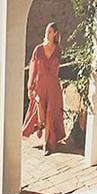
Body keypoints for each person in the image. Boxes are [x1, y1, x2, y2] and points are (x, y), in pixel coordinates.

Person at [23, 22, 66, 155]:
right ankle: (40, 125)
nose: (47, 34)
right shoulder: (38, 50)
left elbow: (56, 70)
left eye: (50, 32)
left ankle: (47, 145)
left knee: (50, 115)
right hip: (40, 85)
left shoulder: (58, 50)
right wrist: (30, 87)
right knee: (40, 110)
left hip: (53, 87)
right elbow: (33, 70)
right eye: (46, 31)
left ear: (55, 34)